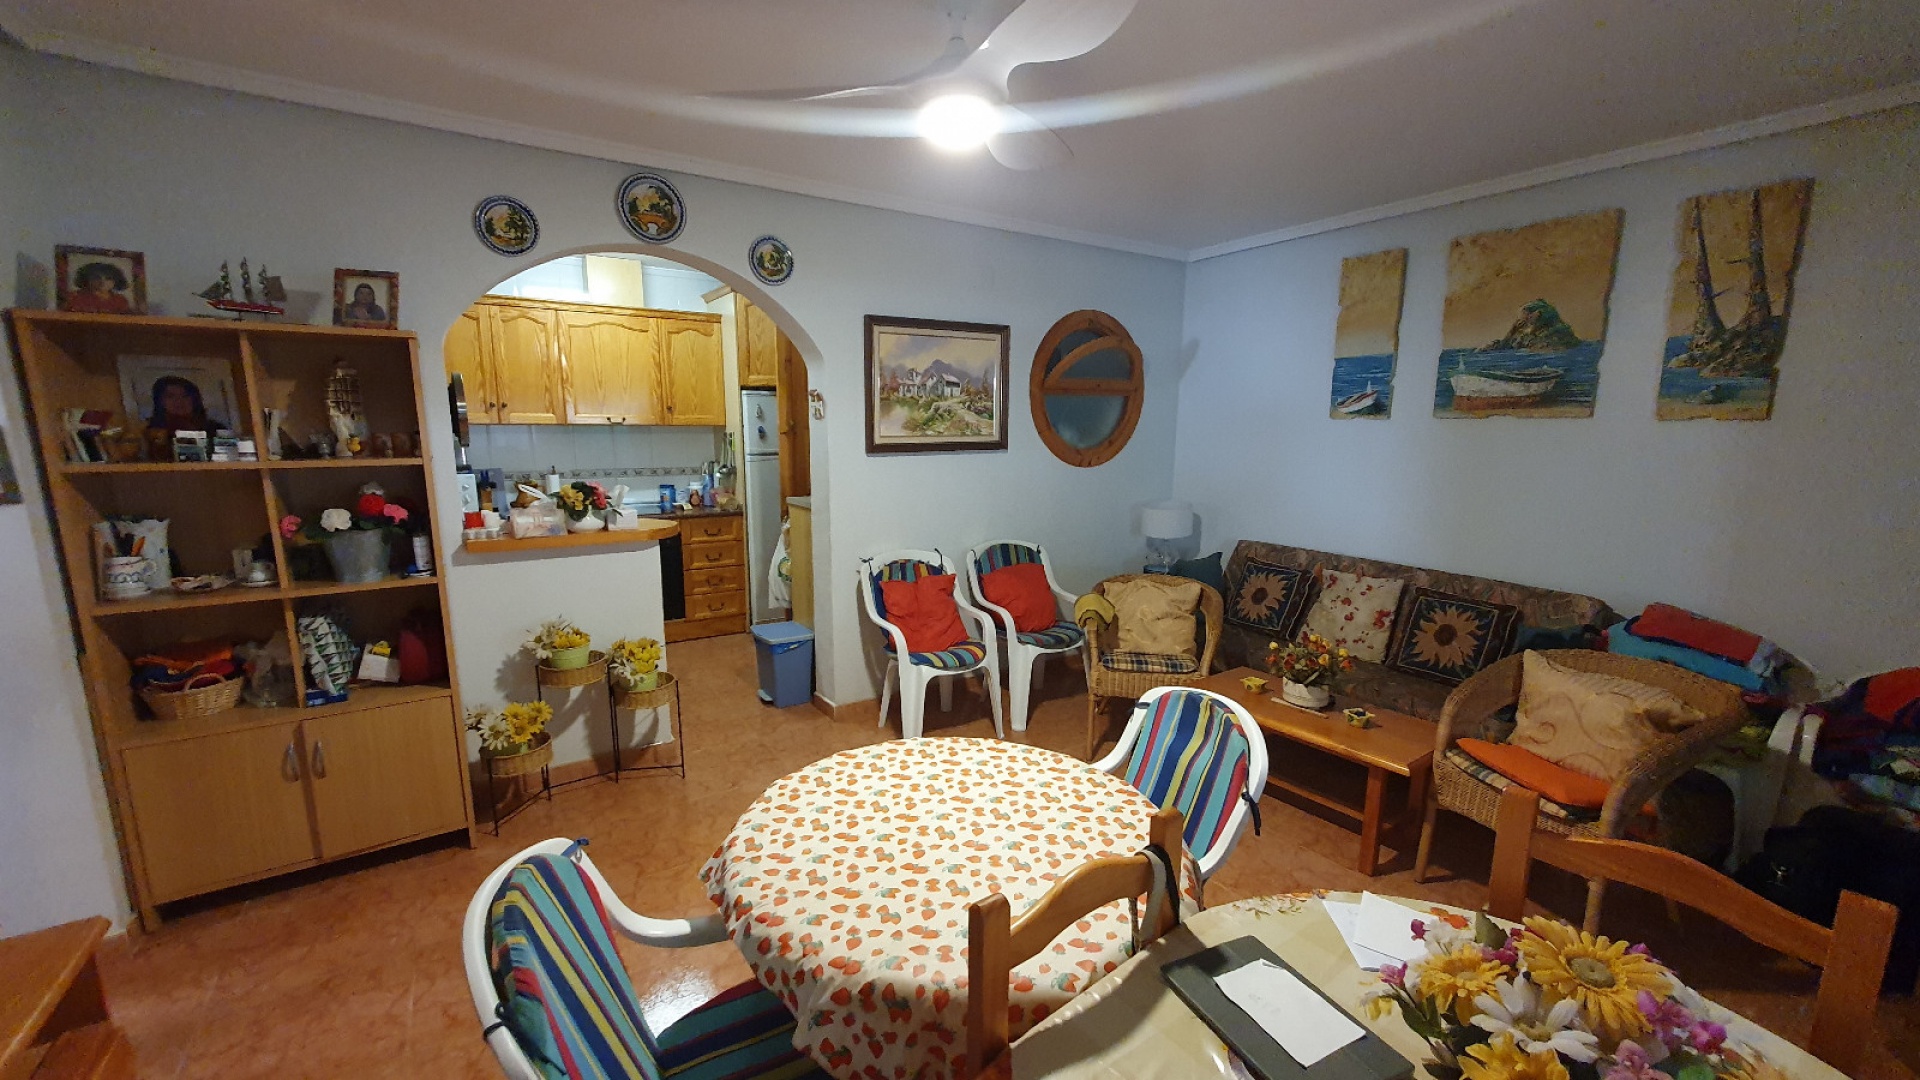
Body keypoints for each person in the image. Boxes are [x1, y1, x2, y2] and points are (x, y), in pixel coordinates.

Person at [145, 376, 226, 434]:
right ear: (160, 401)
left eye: (185, 396)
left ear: (194, 399)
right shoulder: (150, 430)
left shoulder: (215, 429)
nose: (178, 401)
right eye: (170, 396)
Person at [67, 261, 132, 314]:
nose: (102, 282)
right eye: (97, 277)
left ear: (115, 281)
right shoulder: (74, 297)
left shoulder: (120, 300)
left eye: (108, 278)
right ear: (87, 279)